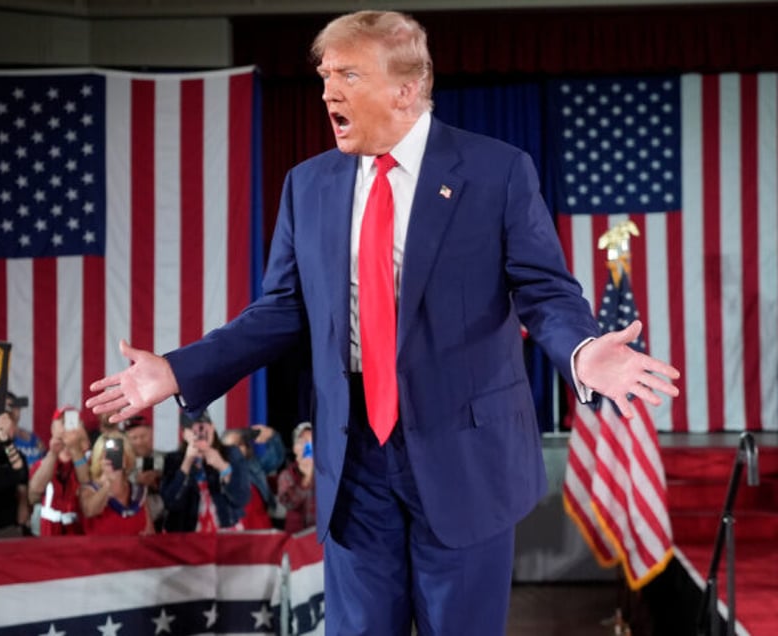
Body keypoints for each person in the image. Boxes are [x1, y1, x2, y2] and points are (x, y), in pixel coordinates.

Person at [87, 10, 680, 634]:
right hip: (354, 464)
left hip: (464, 457)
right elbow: (282, 309)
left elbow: (545, 291)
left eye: (347, 74)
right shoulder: (307, 185)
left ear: (406, 89)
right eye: (323, 76)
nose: (327, 92)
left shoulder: (496, 171)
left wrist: (582, 351)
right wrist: (180, 369)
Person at [160, 411, 251, 532]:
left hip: (225, 529)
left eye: (203, 427)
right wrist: (187, 462)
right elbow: (170, 502)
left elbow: (242, 498)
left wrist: (223, 466)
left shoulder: (231, 454)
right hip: (185, 533)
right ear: (184, 434)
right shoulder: (174, 460)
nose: (199, 433)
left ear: (213, 427)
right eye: (193, 429)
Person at [27, 407, 90, 536]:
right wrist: (53, 452)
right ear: (52, 429)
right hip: (49, 530)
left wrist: (75, 448)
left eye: (72, 421)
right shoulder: (43, 461)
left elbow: (85, 480)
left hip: (78, 529)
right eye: (63, 422)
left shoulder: (88, 458)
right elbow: (35, 490)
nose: (68, 426)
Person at [79, 430, 153, 536]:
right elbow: (89, 511)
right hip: (100, 551)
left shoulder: (138, 493)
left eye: (117, 454)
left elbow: (150, 532)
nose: (111, 459)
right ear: (99, 459)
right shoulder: (89, 489)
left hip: (134, 550)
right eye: (106, 455)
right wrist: (107, 484)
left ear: (126, 457)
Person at [221, 427, 276, 530]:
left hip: (261, 529)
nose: (236, 449)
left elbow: (275, 458)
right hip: (235, 531)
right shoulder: (216, 470)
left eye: (240, 444)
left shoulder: (255, 465)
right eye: (232, 446)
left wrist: (272, 436)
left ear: (246, 448)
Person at [276, 421, 316, 534]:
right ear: (295, 448)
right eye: (303, 442)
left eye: (311, 442)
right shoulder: (287, 475)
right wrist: (306, 479)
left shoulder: (325, 474)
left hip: (319, 540)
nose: (307, 447)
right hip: (298, 539)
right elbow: (288, 503)